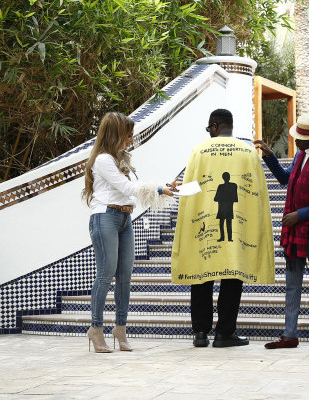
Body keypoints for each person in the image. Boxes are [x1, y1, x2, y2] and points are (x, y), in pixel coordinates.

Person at [171, 109, 274, 348]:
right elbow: (258, 192)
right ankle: (224, 333)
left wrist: (176, 189)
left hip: (204, 222)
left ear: (215, 126)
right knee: (232, 277)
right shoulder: (248, 152)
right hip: (238, 223)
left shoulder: (199, 151)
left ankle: (200, 332)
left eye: (209, 128)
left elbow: (193, 187)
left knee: (201, 275)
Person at [82, 112, 177, 353]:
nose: (130, 140)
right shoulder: (103, 160)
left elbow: (135, 187)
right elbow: (127, 188)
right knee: (105, 274)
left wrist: (164, 187)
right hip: (105, 217)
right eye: (128, 135)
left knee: (125, 276)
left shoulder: (123, 161)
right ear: (116, 134)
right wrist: (158, 189)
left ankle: (120, 329)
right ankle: (96, 329)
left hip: (125, 218)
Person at [255, 113, 309, 352]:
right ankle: (289, 334)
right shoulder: (300, 156)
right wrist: (270, 157)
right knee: (292, 284)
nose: (296, 140)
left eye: (299, 138)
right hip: (294, 232)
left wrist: (300, 215)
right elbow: (285, 179)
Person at [214, 172, 238, 242]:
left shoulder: (221, 187)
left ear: (223, 178)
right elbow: (235, 198)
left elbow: (216, 198)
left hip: (222, 207)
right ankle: (229, 238)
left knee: (222, 223)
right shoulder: (233, 186)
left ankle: (223, 238)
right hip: (228, 207)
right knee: (228, 223)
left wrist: (222, 198)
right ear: (229, 177)